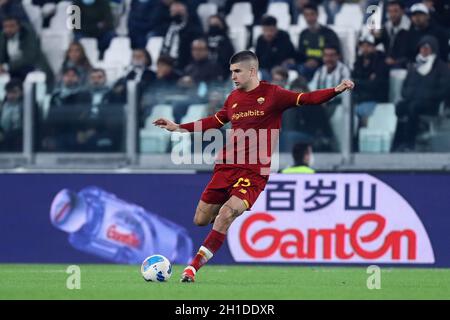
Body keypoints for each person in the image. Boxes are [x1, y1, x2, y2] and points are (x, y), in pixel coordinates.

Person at [153, 50, 354, 282]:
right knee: (200, 220)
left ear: (252, 71)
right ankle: (224, 215)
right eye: (231, 72)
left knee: (226, 214)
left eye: (237, 71)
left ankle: (192, 268)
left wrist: (335, 90)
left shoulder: (273, 94)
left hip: (254, 172)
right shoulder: (233, 98)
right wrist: (178, 127)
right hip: (226, 167)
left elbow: (306, 98)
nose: (233, 77)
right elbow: (213, 122)